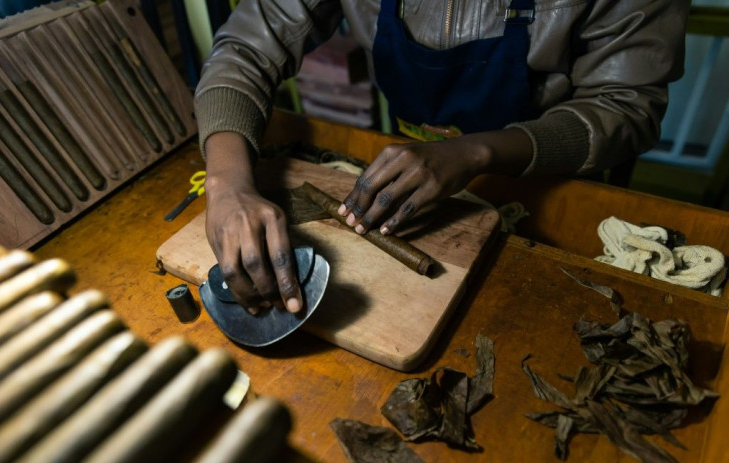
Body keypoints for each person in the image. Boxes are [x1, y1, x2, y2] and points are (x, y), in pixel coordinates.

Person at [194, 0, 689, 315]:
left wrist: (477, 150)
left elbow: (627, 105)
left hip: (555, 176)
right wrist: (226, 183)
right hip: (416, 170)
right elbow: (245, 50)